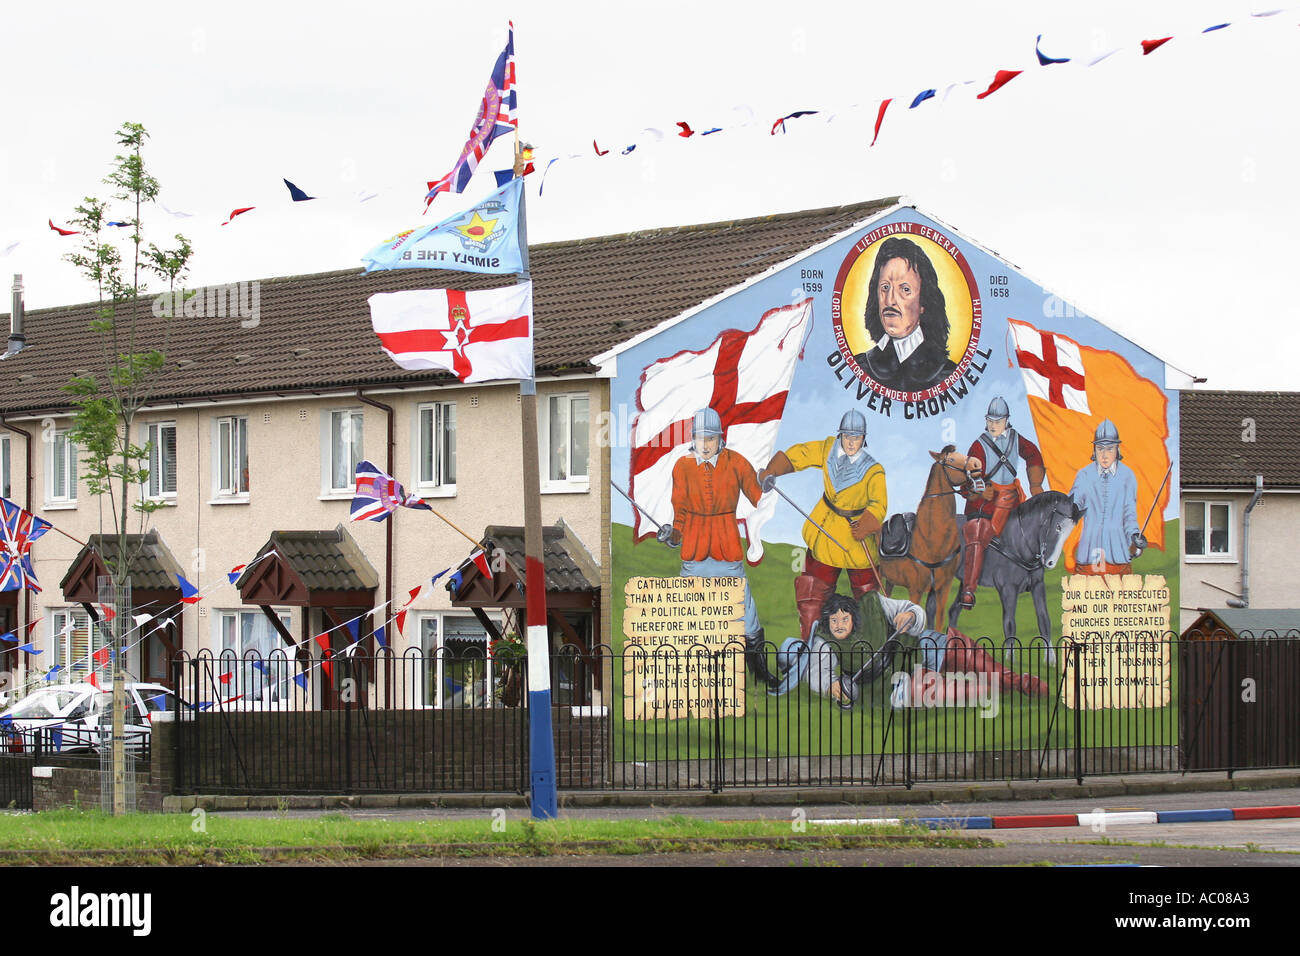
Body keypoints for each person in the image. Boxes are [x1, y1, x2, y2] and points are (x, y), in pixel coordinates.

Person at [658, 407, 779, 688]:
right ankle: (683, 676)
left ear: (720, 439)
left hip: (727, 550)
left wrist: (766, 481)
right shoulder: (682, 467)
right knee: (685, 615)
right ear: (693, 439)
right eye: (701, 438)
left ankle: (759, 671)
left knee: (746, 616)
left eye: (711, 438)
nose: (706, 444)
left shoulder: (736, 462)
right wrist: (672, 535)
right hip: (695, 552)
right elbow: (680, 513)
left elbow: (756, 492)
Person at [771, 591, 1047, 704]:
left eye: (844, 618)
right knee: (973, 689)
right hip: (909, 676)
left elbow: (907, 608)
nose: (840, 624)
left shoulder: (874, 604)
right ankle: (994, 690)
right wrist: (832, 686)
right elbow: (820, 672)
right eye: (835, 621)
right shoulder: (823, 642)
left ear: (853, 614)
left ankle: (1026, 684)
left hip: (933, 646)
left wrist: (910, 616)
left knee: (990, 670)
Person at [757, 410, 887, 641]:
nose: (850, 442)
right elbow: (801, 455)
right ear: (840, 435)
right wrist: (772, 470)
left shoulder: (873, 470)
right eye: (847, 436)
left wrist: (867, 523)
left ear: (863, 439)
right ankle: (809, 644)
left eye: (856, 438)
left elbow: (879, 503)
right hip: (825, 533)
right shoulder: (828, 449)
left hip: (856, 537)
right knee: (811, 595)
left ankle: (873, 647)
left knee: (868, 598)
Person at [958, 396, 1046, 608]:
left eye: (998, 421)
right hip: (986, 503)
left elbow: (1033, 455)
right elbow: (970, 474)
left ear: (1007, 420)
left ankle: (1033, 574)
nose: (993, 424)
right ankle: (969, 589)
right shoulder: (979, 445)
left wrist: (1035, 485)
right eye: (990, 420)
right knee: (977, 533)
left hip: (1013, 499)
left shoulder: (1017, 439)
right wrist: (978, 490)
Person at [851, 236, 959, 393]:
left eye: (905, 289)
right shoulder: (859, 367)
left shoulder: (947, 375)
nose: (890, 300)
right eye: (885, 287)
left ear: (924, 302)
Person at [1069, 419, 1144, 575]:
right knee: (1084, 597)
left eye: (1109, 449)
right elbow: (1072, 509)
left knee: (1120, 598)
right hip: (1088, 554)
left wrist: (1135, 536)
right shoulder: (1084, 475)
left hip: (1118, 555)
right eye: (1100, 449)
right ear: (1094, 449)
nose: (1104, 455)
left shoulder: (1127, 476)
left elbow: (1129, 514)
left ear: (1117, 449)